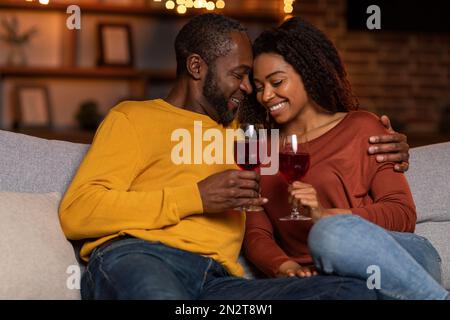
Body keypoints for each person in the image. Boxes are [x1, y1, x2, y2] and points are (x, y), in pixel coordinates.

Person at [59, 14, 409, 300]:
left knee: (348, 293)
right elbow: (77, 212)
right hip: (143, 257)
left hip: (220, 282)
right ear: (197, 67)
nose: (249, 89)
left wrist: (387, 143)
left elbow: (314, 140)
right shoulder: (134, 118)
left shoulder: (249, 133)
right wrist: (196, 196)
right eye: (241, 76)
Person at [244, 17, 449, 300]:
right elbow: (256, 233)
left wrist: (327, 219)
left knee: (328, 236)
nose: (266, 95)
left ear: (308, 73)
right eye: (258, 86)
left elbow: (403, 214)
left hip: (402, 257)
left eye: (276, 81)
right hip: (330, 280)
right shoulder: (259, 151)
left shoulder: (362, 127)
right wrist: (285, 267)